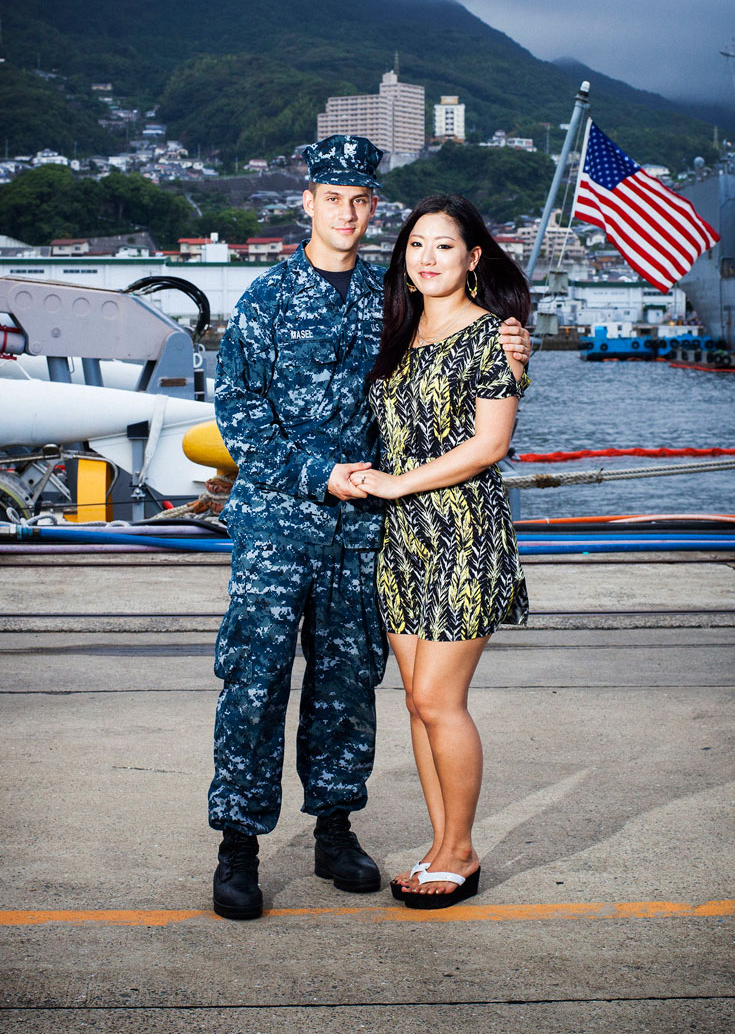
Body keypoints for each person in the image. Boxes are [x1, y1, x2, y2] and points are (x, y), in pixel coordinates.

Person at [208, 138, 530, 921]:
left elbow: (467, 328)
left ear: (371, 208)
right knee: (254, 683)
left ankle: (335, 829)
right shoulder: (267, 298)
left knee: (349, 683)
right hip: (279, 526)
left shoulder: (393, 296)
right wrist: (315, 474)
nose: (345, 212)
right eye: (331, 197)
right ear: (307, 202)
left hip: (367, 529)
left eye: (359, 200)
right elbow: (238, 414)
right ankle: (239, 847)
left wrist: (517, 335)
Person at [352, 193, 531, 910]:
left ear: (474, 257)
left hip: (463, 531)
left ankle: (461, 851)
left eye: (444, 247)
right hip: (403, 542)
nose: (427, 259)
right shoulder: (400, 332)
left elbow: (491, 445)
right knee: (417, 706)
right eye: (416, 245)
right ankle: (440, 844)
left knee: (438, 698)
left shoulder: (493, 337)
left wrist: (396, 485)